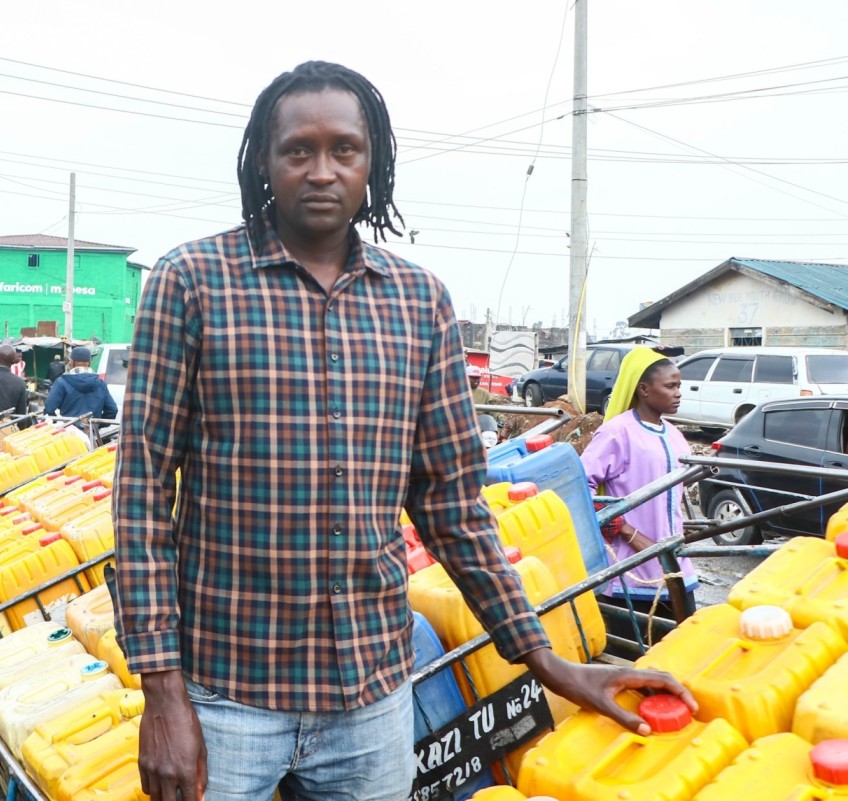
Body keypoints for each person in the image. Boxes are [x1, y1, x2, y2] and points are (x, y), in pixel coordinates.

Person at [111, 61, 693, 801]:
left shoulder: (420, 303)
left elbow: (451, 505)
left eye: (344, 149)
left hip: (372, 702)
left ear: (371, 162)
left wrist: (547, 658)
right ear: (265, 158)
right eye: (298, 150)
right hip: (226, 696)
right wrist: (162, 693)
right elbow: (140, 498)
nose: (321, 170)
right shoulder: (191, 282)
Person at [580, 347, 698, 631]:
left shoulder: (673, 433)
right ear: (644, 389)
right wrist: (626, 531)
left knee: (682, 647)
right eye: (670, 386)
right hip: (632, 568)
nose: (678, 393)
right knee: (636, 655)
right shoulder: (617, 432)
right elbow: (581, 485)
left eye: (679, 386)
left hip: (675, 562)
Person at [43, 346, 117, 424]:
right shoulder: (101, 384)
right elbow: (112, 410)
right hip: (91, 433)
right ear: (89, 363)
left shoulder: (62, 382)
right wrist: (97, 425)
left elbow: (49, 408)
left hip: (68, 431)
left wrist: (56, 422)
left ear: (71, 363)